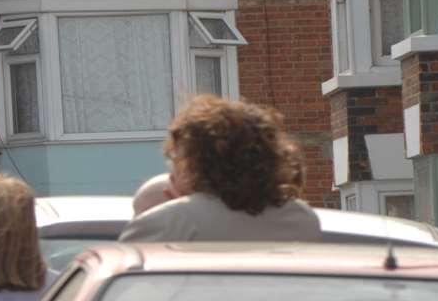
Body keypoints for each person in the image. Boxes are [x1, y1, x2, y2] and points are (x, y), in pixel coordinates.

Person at [120, 96, 321, 241]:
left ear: (192, 163)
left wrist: (181, 212)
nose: (172, 167)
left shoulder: (167, 223)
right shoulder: (301, 220)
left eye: (175, 156)